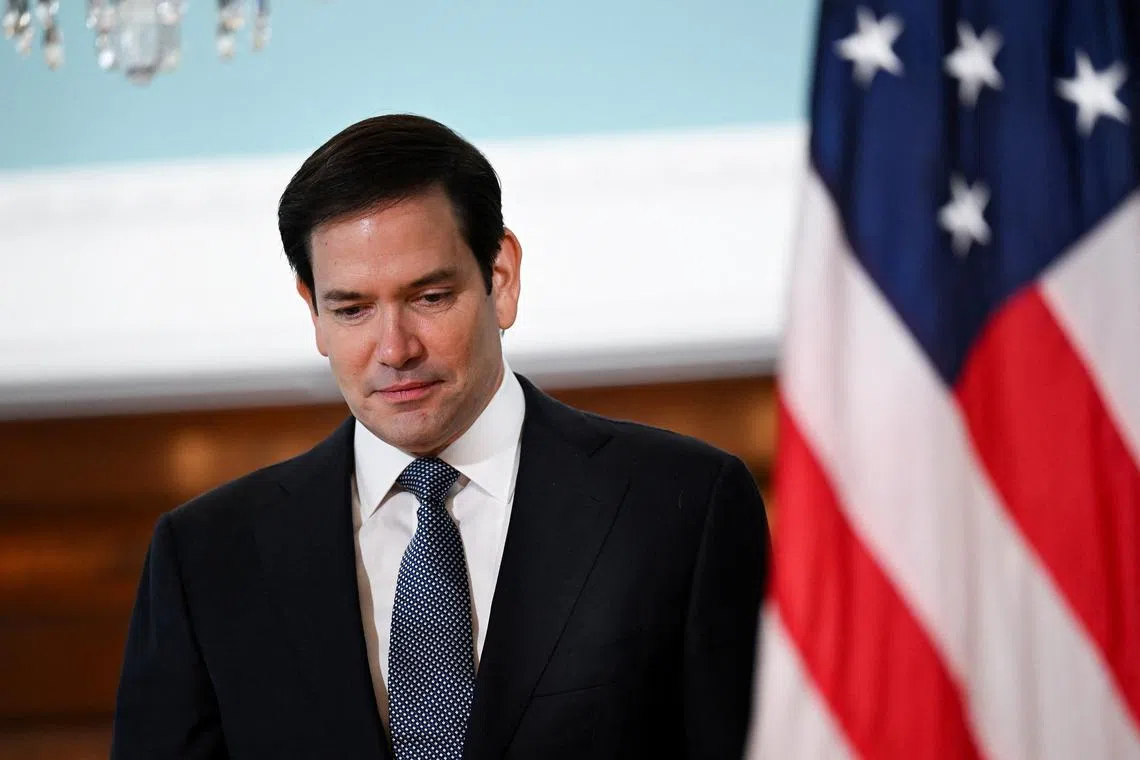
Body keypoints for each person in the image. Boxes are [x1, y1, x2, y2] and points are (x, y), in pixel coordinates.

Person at [110, 114, 770, 760]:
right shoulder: (204, 558)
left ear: (500, 280)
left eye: (429, 297)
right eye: (352, 309)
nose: (394, 349)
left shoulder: (682, 507)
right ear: (312, 310)